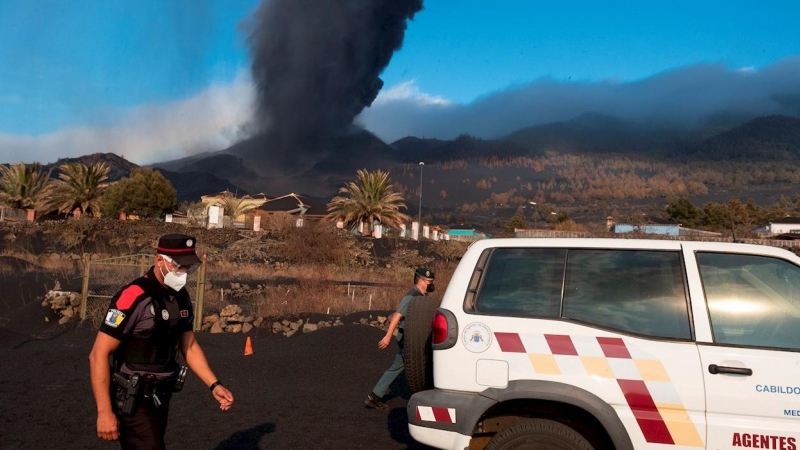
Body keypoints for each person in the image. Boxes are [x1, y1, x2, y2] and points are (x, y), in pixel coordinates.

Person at [89, 233, 234, 449]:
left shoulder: (182, 298)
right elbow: (98, 354)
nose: (183, 273)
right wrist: (104, 412)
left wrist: (214, 384)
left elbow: (189, 346)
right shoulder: (133, 297)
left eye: (188, 268)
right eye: (179, 266)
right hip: (132, 396)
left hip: (162, 394)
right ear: (160, 260)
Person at [365, 267, 435, 410]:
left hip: (416, 340)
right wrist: (388, 336)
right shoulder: (411, 297)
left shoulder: (422, 297)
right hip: (409, 341)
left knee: (396, 368)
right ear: (420, 280)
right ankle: (426, 400)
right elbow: (397, 316)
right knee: (425, 367)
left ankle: (374, 397)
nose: (431, 283)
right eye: (429, 281)